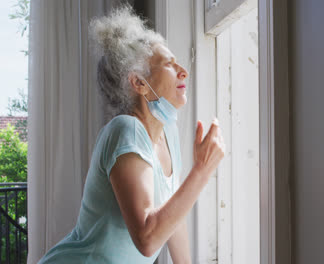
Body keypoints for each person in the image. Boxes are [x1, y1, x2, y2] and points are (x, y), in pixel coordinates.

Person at [38, 5, 225, 264]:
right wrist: (202, 169)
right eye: (169, 65)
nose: (183, 71)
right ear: (139, 83)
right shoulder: (126, 129)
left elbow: (171, 220)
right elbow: (147, 238)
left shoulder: (168, 134)